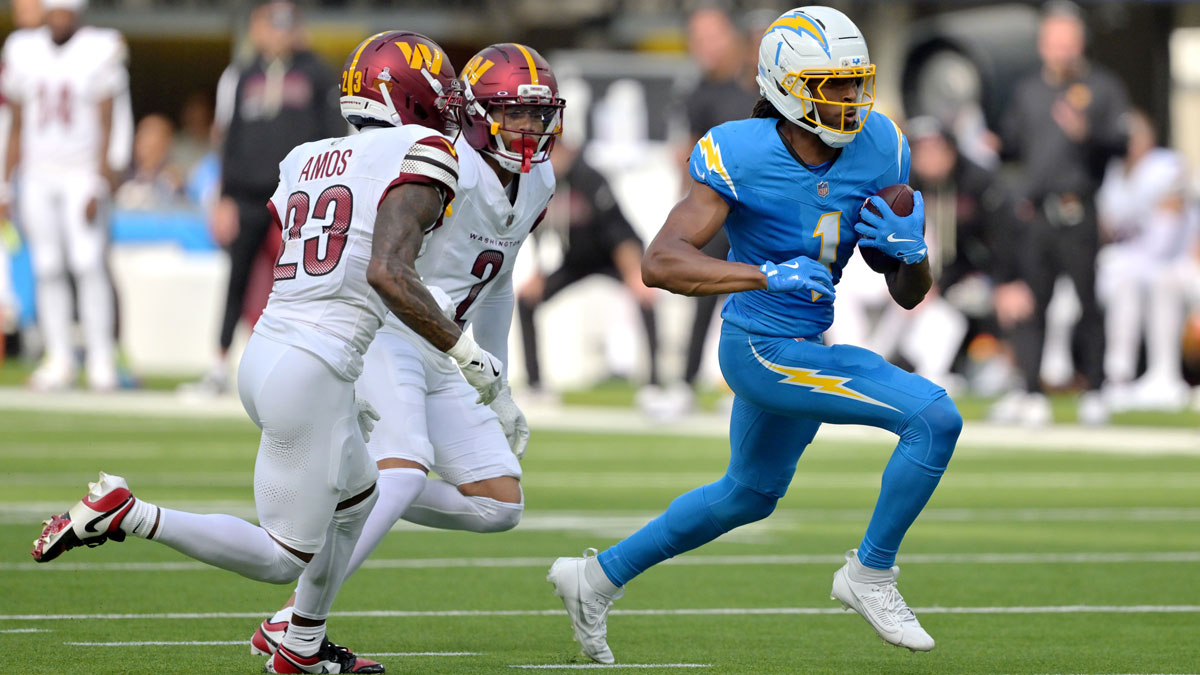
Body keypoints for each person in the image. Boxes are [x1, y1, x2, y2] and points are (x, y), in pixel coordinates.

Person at [32, 31, 508, 675]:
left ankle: (301, 646)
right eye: (439, 88)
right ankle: (129, 513)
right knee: (282, 555)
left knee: (357, 501)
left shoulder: (306, 156)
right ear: (409, 94)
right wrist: (467, 353)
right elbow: (388, 274)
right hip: (315, 367)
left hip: (271, 350)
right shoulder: (420, 148)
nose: (448, 102)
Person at [547, 6, 962, 662]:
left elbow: (908, 295)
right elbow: (661, 259)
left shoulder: (881, 146)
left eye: (856, 83)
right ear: (788, 85)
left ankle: (595, 577)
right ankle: (870, 573)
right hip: (760, 348)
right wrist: (762, 274)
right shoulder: (741, 151)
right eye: (835, 85)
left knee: (748, 495)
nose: (852, 99)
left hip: (806, 344)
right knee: (934, 417)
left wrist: (913, 256)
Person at [246, 42, 563, 655]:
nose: (526, 129)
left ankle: (350, 492)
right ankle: (297, 620)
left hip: (448, 347)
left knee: (499, 505)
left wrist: (494, 383)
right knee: (407, 458)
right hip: (394, 328)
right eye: (511, 113)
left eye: (536, 115)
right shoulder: (441, 159)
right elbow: (387, 261)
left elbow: (495, 286)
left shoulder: (539, 180)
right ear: (470, 112)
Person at [186, 0, 346, 395]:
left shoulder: (316, 73)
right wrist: (222, 198)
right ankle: (220, 365)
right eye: (270, 24)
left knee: (305, 280)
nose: (277, 32)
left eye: (284, 24)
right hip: (247, 195)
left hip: (300, 198)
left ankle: (306, 365)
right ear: (257, 27)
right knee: (236, 281)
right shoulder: (242, 75)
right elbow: (229, 138)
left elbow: (334, 136)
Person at [988, 0, 1130, 426]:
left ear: (1080, 44)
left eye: (1068, 42)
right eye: (1054, 42)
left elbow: (1122, 143)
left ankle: (1096, 389)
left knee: (1088, 302)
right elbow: (1011, 146)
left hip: (1079, 208)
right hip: (1038, 213)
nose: (1062, 50)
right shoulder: (1029, 90)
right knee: (1033, 304)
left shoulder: (1102, 87)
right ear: (1043, 45)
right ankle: (1030, 390)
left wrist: (1089, 135)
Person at [0, 0, 132, 391]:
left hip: (80, 172)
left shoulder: (100, 47)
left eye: (65, 13)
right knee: (47, 266)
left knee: (89, 263)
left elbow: (111, 117)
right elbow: (17, 120)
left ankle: (100, 358)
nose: (58, 20)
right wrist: (6, 183)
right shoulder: (23, 48)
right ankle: (58, 357)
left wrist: (100, 179)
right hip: (38, 173)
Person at [517, 138, 662, 400]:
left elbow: (617, 229)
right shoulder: (543, 184)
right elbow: (539, 230)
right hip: (575, 260)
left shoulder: (589, 177)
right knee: (526, 300)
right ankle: (535, 385)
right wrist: (538, 273)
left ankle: (654, 385)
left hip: (612, 256)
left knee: (646, 296)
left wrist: (633, 274)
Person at [677, 6, 760, 404]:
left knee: (792, 285)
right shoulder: (701, 94)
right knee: (703, 288)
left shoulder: (762, 88)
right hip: (717, 207)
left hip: (763, 210)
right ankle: (686, 381)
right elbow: (690, 155)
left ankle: (822, 369)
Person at [1096, 109, 1195, 410]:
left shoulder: (1165, 166)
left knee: (1152, 278)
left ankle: (1165, 373)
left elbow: (1166, 233)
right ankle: (1119, 376)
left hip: (1179, 258)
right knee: (1118, 274)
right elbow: (1107, 225)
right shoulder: (1114, 172)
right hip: (1137, 260)